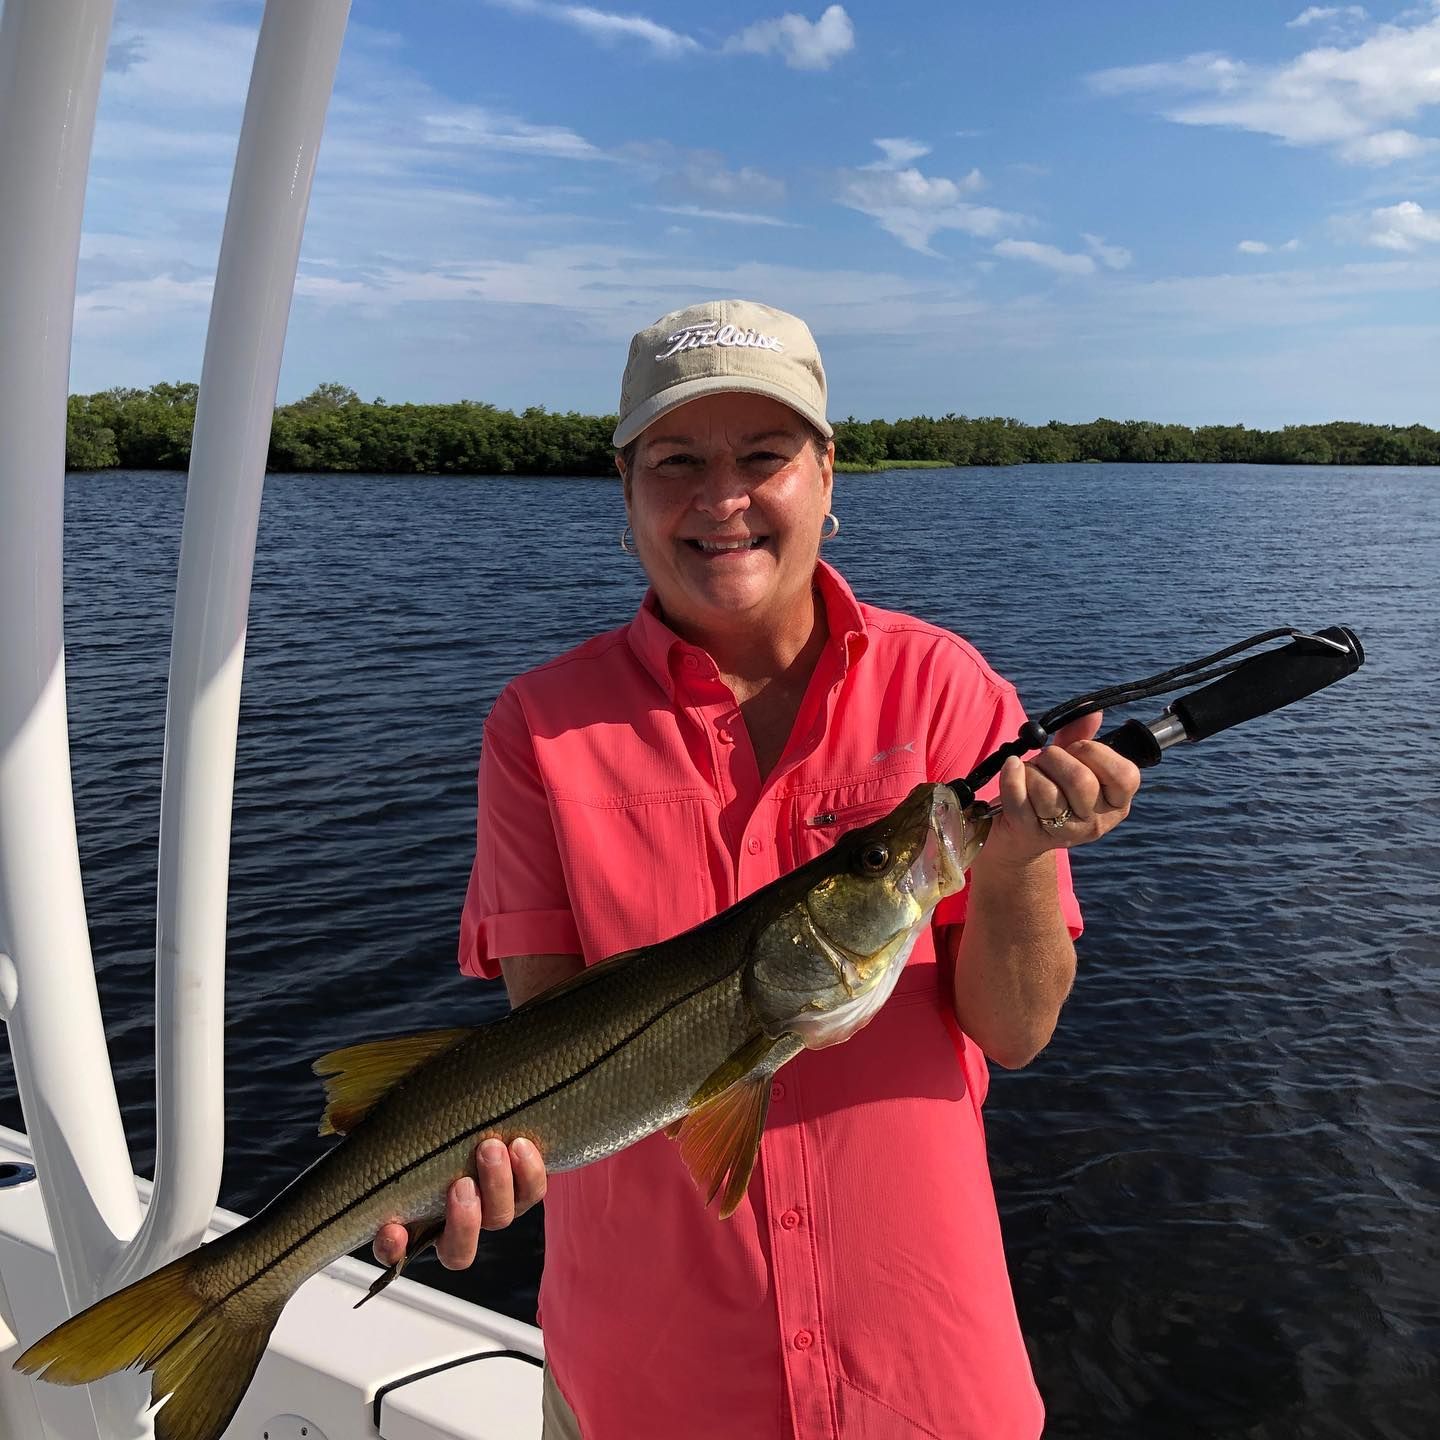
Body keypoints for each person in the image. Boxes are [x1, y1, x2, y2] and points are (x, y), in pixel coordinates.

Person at [374, 299, 1141, 1438]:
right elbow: (545, 1036)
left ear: (828, 479)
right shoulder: (539, 724)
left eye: (765, 457)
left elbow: (1015, 1034)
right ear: (626, 493)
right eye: (677, 461)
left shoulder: (948, 688)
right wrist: (484, 1162)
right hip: (650, 1382)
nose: (721, 499)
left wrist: (1022, 857)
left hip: (923, 1375)